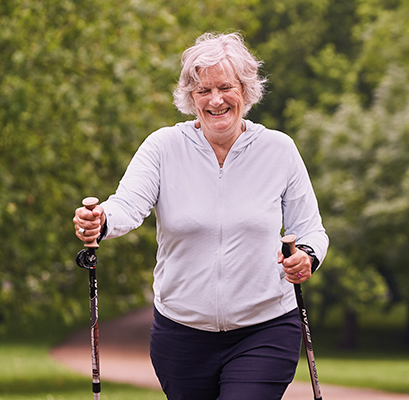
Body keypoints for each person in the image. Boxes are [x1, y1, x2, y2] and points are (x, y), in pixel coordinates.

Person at [72, 32, 328, 400]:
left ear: (246, 90)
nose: (216, 100)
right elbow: (126, 205)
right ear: (190, 97)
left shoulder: (278, 149)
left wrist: (306, 255)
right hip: (180, 334)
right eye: (203, 90)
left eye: (226, 87)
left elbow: (311, 229)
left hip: (265, 328)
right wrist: (101, 221)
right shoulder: (163, 147)